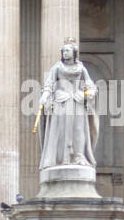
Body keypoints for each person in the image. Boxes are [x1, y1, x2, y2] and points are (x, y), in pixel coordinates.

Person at [36, 38, 100, 170]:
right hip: (61, 101)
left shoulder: (81, 68)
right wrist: (45, 95)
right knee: (60, 130)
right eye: (63, 51)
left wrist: (87, 94)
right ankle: (60, 158)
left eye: (67, 51)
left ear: (74, 53)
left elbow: (90, 86)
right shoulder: (57, 67)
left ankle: (79, 156)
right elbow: (49, 84)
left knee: (78, 129)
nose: (65, 53)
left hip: (77, 101)